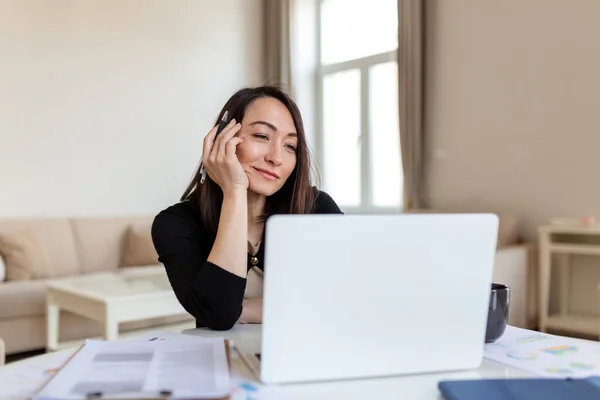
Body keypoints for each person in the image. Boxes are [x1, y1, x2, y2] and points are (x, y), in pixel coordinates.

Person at [151, 85, 342, 330]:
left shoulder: (315, 208)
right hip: (217, 359)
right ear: (223, 139)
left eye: (290, 146)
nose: (277, 158)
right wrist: (234, 191)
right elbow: (218, 314)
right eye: (262, 136)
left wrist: (242, 310)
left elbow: (348, 296)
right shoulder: (176, 224)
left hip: (304, 353)